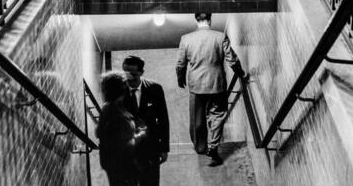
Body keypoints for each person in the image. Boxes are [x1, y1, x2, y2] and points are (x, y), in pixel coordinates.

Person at [176, 12, 246, 166]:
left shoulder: (186, 39)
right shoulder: (220, 37)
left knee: (197, 118)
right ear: (210, 19)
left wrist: (180, 78)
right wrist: (241, 74)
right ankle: (213, 146)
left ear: (196, 20)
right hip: (217, 83)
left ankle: (200, 147)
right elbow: (232, 59)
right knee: (217, 116)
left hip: (196, 85)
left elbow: (180, 64)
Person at [122, 55, 170, 186]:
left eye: (133, 74)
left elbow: (163, 119)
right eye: (126, 73)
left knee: (151, 182)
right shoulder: (118, 92)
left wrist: (164, 148)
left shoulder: (155, 89)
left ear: (141, 72)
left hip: (150, 147)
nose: (129, 78)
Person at [96, 71, 147, 186]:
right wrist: (141, 135)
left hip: (112, 163)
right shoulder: (116, 114)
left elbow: (99, 132)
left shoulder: (107, 107)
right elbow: (125, 145)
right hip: (123, 165)